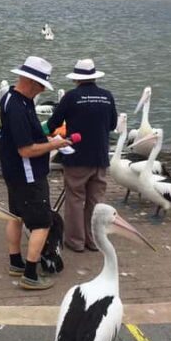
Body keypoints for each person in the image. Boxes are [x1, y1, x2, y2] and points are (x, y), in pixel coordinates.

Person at [0, 56, 71, 291]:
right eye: (40, 85)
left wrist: (46, 138)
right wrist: (55, 145)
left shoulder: (9, 98)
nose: (41, 90)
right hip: (28, 175)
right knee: (42, 223)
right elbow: (26, 150)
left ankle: (15, 262)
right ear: (30, 81)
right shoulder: (19, 107)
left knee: (15, 216)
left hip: (11, 171)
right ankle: (30, 274)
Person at [46, 59, 117, 252]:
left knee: (75, 198)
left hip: (76, 157)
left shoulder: (71, 97)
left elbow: (53, 123)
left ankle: (76, 242)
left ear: (76, 79)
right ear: (94, 76)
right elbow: (112, 125)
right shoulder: (107, 96)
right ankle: (94, 240)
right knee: (96, 200)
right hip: (100, 157)